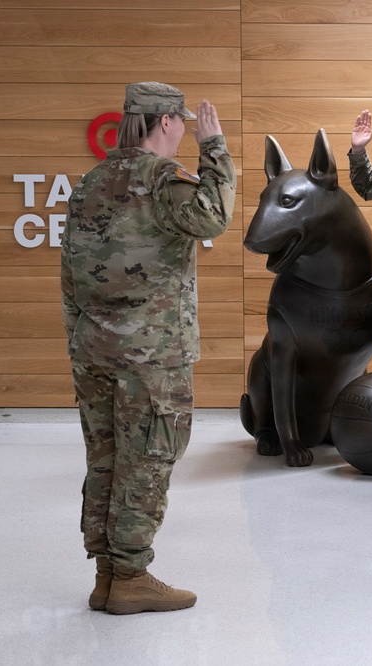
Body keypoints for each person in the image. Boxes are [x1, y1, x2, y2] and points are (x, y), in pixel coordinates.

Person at [61, 82, 236, 614]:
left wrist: (78, 339)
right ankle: (131, 576)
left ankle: (106, 574)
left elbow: (70, 275)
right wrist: (215, 148)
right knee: (149, 459)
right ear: (166, 123)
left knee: (106, 458)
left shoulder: (91, 181)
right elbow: (214, 217)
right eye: (181, 121)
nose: (184, 128)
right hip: (152, 357)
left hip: (92, 350)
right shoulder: (164, 181)